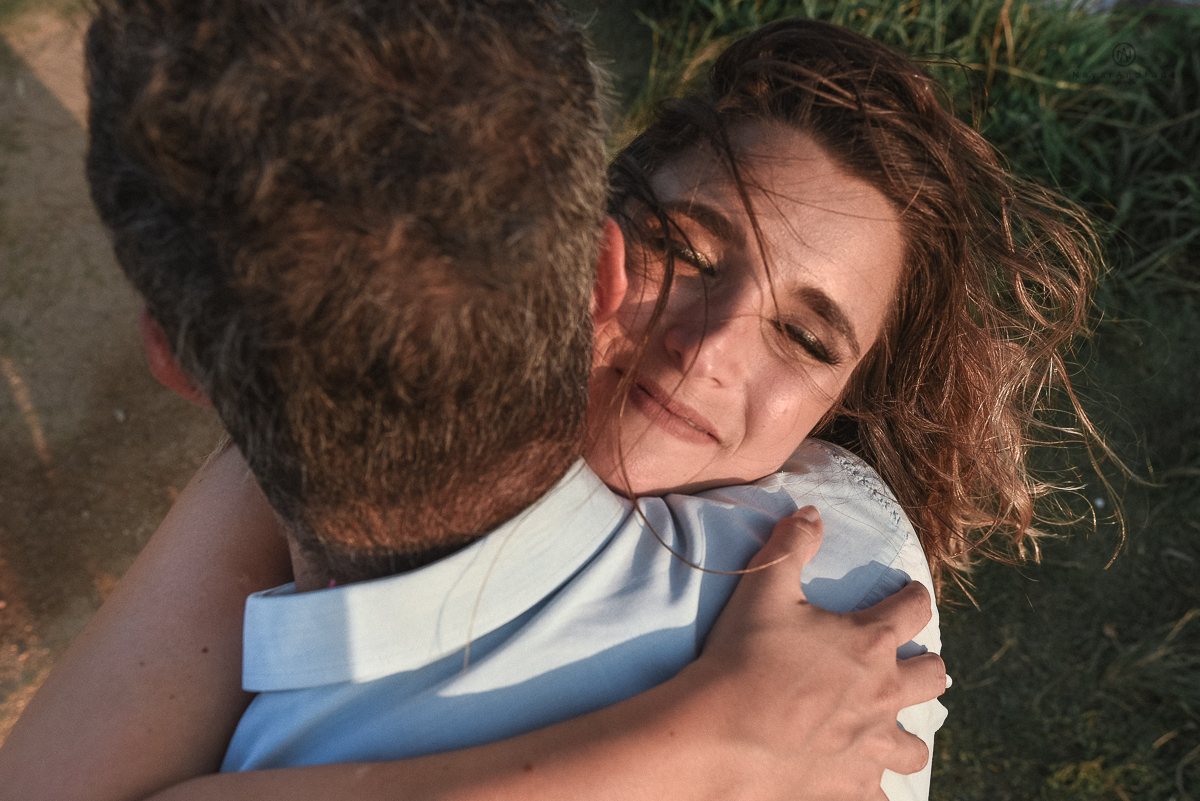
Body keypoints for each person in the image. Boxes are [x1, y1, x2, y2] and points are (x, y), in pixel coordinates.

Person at [0, 5, 1101, 801]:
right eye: (688, 248)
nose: (708, 346)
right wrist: (702, 737)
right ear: (598, 259)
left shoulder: (851, 581)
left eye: (808, 338)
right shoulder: (838, 604)